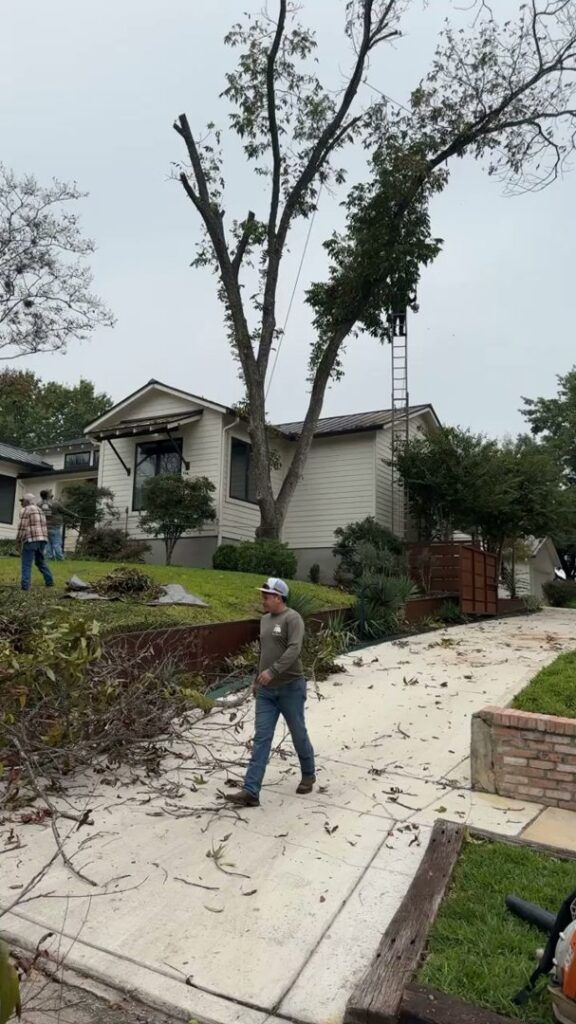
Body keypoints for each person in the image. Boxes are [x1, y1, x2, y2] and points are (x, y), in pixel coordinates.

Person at [226, 577, 315, 808]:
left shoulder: (293, 618)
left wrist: (273, 671)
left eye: (266, 596)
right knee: (262, 738)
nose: (262, 600)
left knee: (298, 733)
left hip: (291, 688)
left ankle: (308, 773)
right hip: (266, 691)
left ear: (278, 597)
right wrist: (258, 680)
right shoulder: (264, 620)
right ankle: (251, 791)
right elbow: (264, 653)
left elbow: (294, 650)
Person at [17, 493, 54, 592]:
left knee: (26, 563)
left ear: (27, 501)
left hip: (31, 540)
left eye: (22, 501)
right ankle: (49, 581)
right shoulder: (40, 510)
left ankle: (25, 587)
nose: (21, 503)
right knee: (40, 561)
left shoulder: (26, 510)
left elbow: (22, 527)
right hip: (43, 539)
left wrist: (18, 541)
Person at [38, 489, 71, 561]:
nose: (52, 494)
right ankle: (59, 558)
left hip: (44, 527)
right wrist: (74, 515)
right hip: (54, 526)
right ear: (48, 495)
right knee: (56, 543)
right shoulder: (55, 503)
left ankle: (49, 557)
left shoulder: (39, 504)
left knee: (48, 544)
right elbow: (64, 511)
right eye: (50, 493)